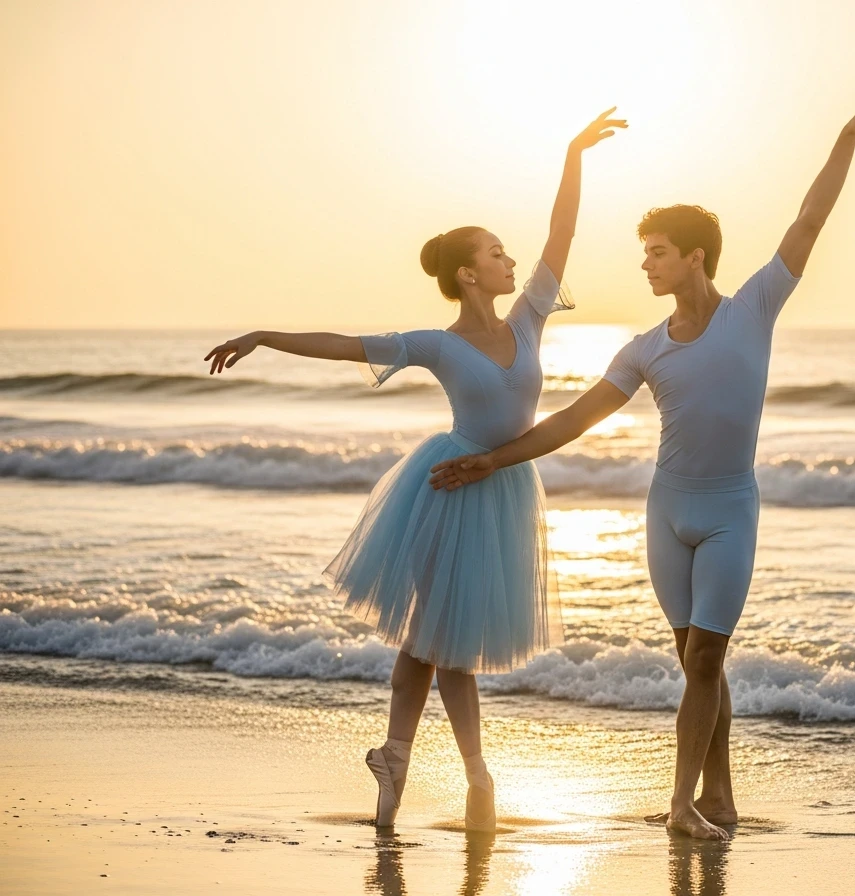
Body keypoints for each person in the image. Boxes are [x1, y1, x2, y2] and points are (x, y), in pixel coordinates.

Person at [429, 86, 855, 840]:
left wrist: (847, 135)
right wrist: (492, 459)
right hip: (666, 513)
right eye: (643, 252)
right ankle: (720, 797)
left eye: (656, 252)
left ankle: (682, 805)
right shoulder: (643, 348)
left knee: (708, 656)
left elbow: (810, 218)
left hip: (728, 512)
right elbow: (576, 420)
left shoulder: (756, 307)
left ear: (695, 258)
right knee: (697, 665)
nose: (644, 264)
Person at [202, 108, 627, 831]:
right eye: (496, 252)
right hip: (450, 486)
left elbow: (563, 233)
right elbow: (345, 345)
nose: (510, 259)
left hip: (503, 485)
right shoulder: (435, 341)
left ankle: (420, 766)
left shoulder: (527, 321)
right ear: (469, 272)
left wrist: (572, 155)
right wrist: (266, 335)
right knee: (437, 642)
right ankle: (456, 774)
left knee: (443, 646)